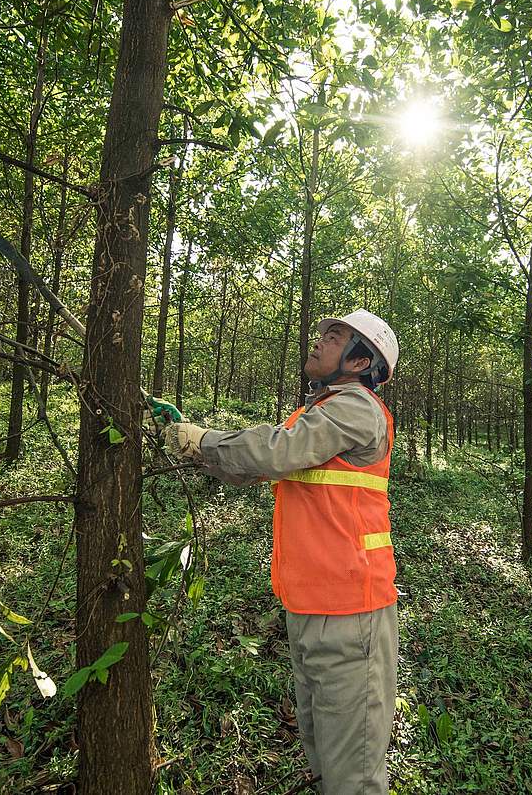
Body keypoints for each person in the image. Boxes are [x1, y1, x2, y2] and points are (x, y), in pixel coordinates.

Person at [164, 309, 400, 795]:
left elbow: (273, 451)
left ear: (360, 361)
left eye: (333, 338)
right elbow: (252, 467)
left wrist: (201, 440)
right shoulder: (318, 414)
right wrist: (190, 439)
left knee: (351, 775)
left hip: (352, 614)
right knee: (322, 754)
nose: (317, 344)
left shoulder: (358, 409)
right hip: (311, 609)